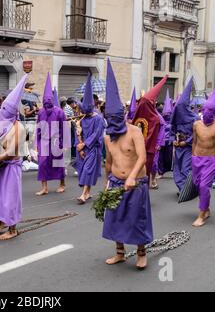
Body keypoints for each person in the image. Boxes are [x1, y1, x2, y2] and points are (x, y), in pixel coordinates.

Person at [102, 60, 153, 270]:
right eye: (109, 118)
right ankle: (120, 253)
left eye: (116, 117)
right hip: (115, 182)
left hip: (136, 182)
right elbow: (109, 161)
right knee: (115, 219)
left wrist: (132, 176)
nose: (113, 121)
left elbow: (142, 157)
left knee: (136, 219)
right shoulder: (108, 137)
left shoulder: (134, 132)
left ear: (123, 115)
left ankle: (142, 253)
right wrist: (107, 182)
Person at [0, 75, 27, 241]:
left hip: (11, 166)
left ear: (14, 112)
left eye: (6, 110)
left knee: (10, 198)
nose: (3, 112)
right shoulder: (1, 123)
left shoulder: (19, 127)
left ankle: (12, 228)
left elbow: (10, 151)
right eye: (3, 108)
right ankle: (1, 222)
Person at [192, 90, 215, 227]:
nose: (207, 111)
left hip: (211, 160)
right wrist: (192, 156)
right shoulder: (196, 124)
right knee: (198, 185)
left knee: (204, 186)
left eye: (210, 109)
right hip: (196, 159)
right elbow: (194, 142)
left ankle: (201, 215)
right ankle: (206, 208)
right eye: (205, 108)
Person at [74, 74, 106, 205]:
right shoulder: (81, 118)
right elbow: (78, 132)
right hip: (82, 148)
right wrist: (78, 145)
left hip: (93, 148)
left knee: (88, 169)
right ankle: (87, 192)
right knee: (83, 169)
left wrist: (85, 145)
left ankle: (83, 195)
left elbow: (97, 134)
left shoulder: (98, 118)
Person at [36, 73, 66, 195]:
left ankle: (62, 183)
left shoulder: (59, 112)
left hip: (56, 141)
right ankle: (44, 187)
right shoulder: (40, 112)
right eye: (45, 100)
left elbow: (64, 128)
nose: (47, 101)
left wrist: (64, 143)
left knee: (58, 163)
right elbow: (38, 128)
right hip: (44, 142)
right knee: (42, 163)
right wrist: (37, 144)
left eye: (49, 99)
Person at [132, 76, 167, 178]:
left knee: (143, 177)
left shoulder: (156, 118)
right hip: (134, 150)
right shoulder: (137, 115)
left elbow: (158, 131)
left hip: (148, 150)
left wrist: (158, 143)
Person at [171, 78, 199, 192]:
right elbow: (171, 130)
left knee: (186, 168)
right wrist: (173, 139)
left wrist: (186, 142)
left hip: (188, 147)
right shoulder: (176, 117)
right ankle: (182, 188)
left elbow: (196, 134)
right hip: (177, 147)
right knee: (177, 169)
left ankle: (186, 189)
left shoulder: (195, 118)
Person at [157, 91, 174, 177]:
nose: (166, 114)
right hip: (162, 141)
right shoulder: (160, 118)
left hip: (169, 141)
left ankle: (166, 169)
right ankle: (161, 172)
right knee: (161, 158)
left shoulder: (173, 120)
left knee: (168, 157)